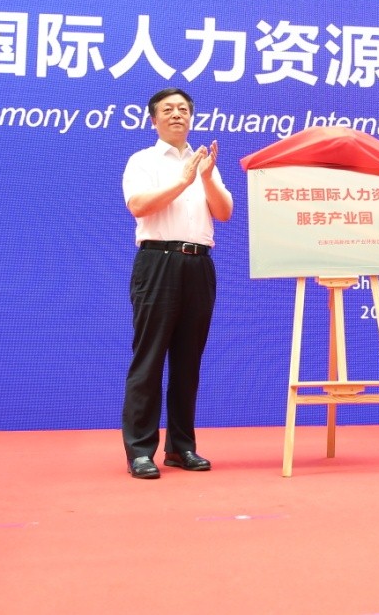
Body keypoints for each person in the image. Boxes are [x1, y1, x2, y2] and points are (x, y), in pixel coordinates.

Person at [120, 87, 233, 479]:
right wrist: (183, 182)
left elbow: (224, 212)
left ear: (191, 117)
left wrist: (206, 178)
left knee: (188, 362)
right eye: (167, 109)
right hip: (158, 261)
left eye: (183, 109)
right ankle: (140, 451)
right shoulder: (143, 160)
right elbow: (139, 205)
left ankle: (182, 447)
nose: (176, 114)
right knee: (149, 359)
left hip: (198, 264)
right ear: (154, 120)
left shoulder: (203, 163)